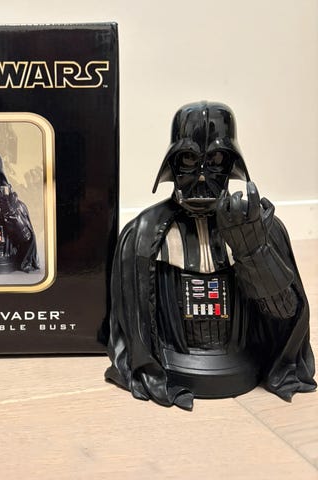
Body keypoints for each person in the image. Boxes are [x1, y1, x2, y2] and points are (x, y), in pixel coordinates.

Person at [105, 101, 316, 410]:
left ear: (231, 164)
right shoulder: (142, 235)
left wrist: (255, 253)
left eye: (216, 160)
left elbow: (287, 316)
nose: (202, 176)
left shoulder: (263, 229)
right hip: (175, 358)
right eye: (189, 159)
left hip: (242, 357)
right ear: (173, 164)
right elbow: (130, 329)